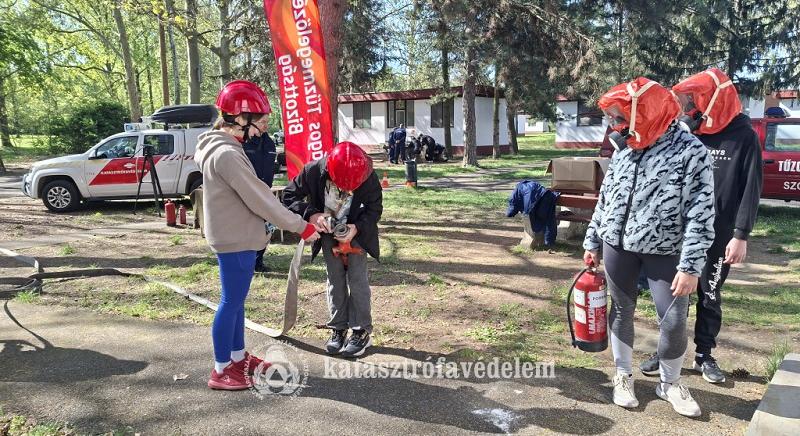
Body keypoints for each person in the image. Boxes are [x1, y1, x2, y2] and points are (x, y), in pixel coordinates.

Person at [584, 77, 715, 417]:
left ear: (644, 113)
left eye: (617, 117)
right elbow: (606, 198)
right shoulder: (626, 150)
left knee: (672, 320)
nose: (613, 125)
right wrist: (593, 240)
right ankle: (623, 375)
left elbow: (702, 212)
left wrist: (691, 266)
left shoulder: (691, 152)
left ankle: (670, 383)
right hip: (617, 246)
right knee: (621, 309)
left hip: (666, 251)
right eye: (611, 118)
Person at [194, 80, 320, 390]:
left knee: (236, 304)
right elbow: (260, 200)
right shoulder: (227, 154)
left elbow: (255, 192)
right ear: (240, 118)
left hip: (236, 236)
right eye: (261, 120)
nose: (264, 128)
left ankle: (237, 358)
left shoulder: (225, 148)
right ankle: (222, 369)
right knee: (230, 303)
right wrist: (301, 226)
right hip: (235, 238)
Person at [639, 69, 763, 383]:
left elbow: (751, 188)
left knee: (709, 294)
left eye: (695, 99)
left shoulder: (744, 136)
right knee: (673, 294)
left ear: (713, 99)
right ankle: (667, 350)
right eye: (688, 100)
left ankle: (704, 355)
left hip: (720, 234)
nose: (690, 106)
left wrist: (741, 235)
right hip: (680, 232)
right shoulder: (689, 133)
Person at [282, 141, 382, 357]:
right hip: (327, 235)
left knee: (357, 281)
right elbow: (289, 196)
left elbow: (375, 209)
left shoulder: (367, 173)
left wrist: (357, 228)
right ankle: (338, 328)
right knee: (335, 281)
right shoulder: (313, 171)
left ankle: (361, 330)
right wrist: (313, 215)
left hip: (356, 234)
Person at [242, 132, 278, 273]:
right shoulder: (243, 143)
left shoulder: (269, 142)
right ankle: (247, 262)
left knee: (268, 226)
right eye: (262, 121)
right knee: (248, 228)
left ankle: (258, 261)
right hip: (248, 193)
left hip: (265, 192)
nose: (265, 125)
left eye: (267, 121)